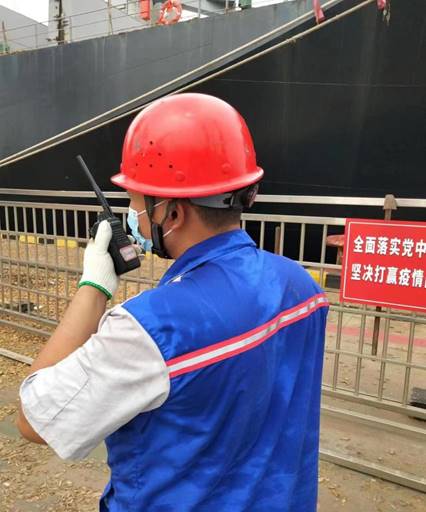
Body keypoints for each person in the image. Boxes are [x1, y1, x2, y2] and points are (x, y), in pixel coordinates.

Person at [17, 93, 328, 511]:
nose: (131, 213)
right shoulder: (302, 288)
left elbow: (35, 420)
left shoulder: (151, 330)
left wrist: (94, 287)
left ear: (173, 214)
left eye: (136, 200)